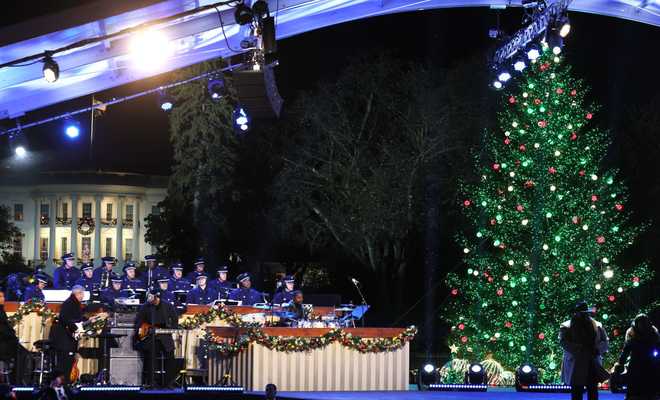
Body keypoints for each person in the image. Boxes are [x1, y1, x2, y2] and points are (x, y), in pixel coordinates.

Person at [559, 301, 609, 400]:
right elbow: (563, 342)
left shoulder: (597, 325)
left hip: (591, 361)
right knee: (577, 391)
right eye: (581, 312)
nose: (583, 315)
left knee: (592, 390)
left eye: (585, 313)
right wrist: (579, 348)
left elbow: (605, 341)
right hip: (577, 361)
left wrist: (597, 350)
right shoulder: (566, 326)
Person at [134, 290, 178, 388]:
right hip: (150, 337)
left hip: (165, 336)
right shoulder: (145, 306)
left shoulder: (167, 305)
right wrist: (144, 330)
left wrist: (171, 329)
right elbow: (139, 322)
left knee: (170, 358)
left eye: (154, 298)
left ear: (158, 297)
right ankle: (151, 382)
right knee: (150, 358)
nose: (152, 300)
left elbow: (175, 319)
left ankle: (169, 382)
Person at [613, 314, 660, 400]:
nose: (642, 325)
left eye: (644, 323)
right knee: (635, 393)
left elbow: (658, 349)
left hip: (650, 367)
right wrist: (620, 364)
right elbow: (625, 352)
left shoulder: (654, 336)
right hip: (636, 368)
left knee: (650, 392)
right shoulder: (633, 338)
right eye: (640, 323)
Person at [49, 286, 88, 383]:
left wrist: (86, 320)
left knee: (67, 363)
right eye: (82, 293)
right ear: (77, 293)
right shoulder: (70, 303)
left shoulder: (74, 303)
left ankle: (65, 383)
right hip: (65, 340)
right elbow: (65, 318)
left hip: (67, 339)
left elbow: (74, 318)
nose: (83, 296)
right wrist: (77, 328)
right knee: (65, 364)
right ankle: (63, 384)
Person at [0, 291, 24, 383]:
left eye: (3, 296)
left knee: (23, 351)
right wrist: (13, 336)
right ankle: (16, 380)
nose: (3, 299)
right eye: (0, 296)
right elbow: (3, 330)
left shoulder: (2, 310)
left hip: (6, 340)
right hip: (3, 342)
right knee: (21, 352)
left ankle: (17, 379)